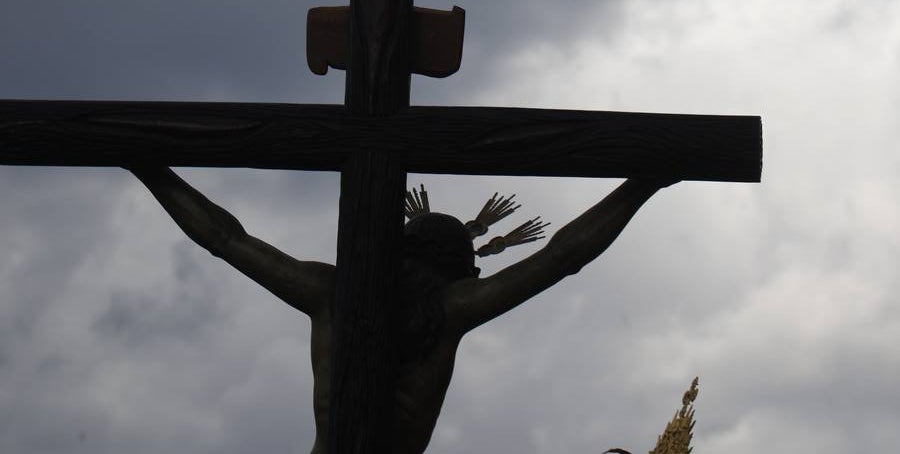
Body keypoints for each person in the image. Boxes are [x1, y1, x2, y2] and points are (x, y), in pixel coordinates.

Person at [129, 166, 675, 454]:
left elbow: (225, 238)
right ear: (461, 267)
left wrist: (149, 168)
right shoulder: (453, 307)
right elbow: (562, 257)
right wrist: (641, 185)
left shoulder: (328, 290)